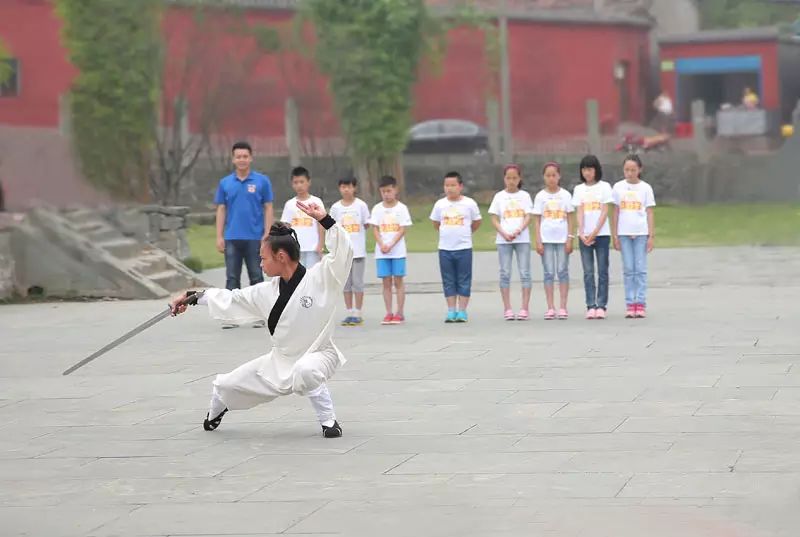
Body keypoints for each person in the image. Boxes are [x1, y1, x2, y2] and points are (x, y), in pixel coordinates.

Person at [170, 200, 353, 438]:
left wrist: (324, 220)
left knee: (306, 370)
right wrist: (192, 297)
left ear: (281, 256)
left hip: (319, 355)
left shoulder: (321, 278)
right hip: (280, 360)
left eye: (263, 258)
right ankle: (215, 413)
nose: (260, 264)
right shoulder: (266, 292)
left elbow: (343, 252)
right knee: (225, 385)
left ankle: (329, 422)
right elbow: (232, 299)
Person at [214, 141, 274, 329]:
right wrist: (219, 235)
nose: (242, 160)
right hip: (232, 237)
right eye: (238, 156)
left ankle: (259, 314)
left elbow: (268, 207)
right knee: (232, 277)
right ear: (233, 159)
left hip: (255, 237)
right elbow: (221, 209)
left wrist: (268, 232)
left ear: (251, 158)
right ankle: (231, 316)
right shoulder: (225, 183)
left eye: (245, 156)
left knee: (257, 276)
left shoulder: (262, 181)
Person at [429, 171, 482, 323]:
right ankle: (451, 310)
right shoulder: (440, 204)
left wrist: (466, 232)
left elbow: (477, 222)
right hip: (445, 248)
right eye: (447, 185)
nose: (450, 188)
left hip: (464, 248)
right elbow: (436, 223)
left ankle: (462, 311)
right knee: (448, 279)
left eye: (453, 185)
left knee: (464, 279)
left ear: (460, 186)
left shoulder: (469, 204)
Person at [611, 154, 656, 319]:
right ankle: (630, 303)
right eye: (626, 170)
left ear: (639, 170)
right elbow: (615, 211)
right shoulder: (618, 187)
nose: (629, 173)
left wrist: (651, 235)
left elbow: (649, 212)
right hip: (624, 233)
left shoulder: (646, 188)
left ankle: (640, 302)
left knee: (640, 269)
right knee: (629, 269)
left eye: (633, 170)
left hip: (640, 233)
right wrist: (615, 234)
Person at [488, 165, 534, 321]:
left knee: (525, 273)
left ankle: (524, 308)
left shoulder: (525, 196)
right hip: (504, 240)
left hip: (521, 239)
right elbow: (493, 217)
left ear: (519, 179)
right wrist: (503, 232)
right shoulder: (499, 197)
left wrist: (519, 229)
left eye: (514, 178)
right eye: (508, 178)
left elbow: (528, 215)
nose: (511, 181)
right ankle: (507, 308)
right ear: (504, 179)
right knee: (505, 273)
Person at [572, 155, 613, 319]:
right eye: (584, 169)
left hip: (601, 235)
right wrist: (581, 232)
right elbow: (580, 211)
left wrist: (595, 232)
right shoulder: (579, 189)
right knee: (588, 271)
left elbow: (604, 212)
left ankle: (602, 305)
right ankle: (591, 304)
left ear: (596, 170)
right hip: (584, 237)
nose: (587, 173)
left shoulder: (604, 187)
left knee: (602, 270)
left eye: (590, 169)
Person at [532, 162, 575, 320]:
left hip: (562, 238)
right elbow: (536, 220)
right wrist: (538, 240)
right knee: (549, 272)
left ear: (559, 176)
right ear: (544, 177)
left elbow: (571, 217)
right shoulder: (540, 196)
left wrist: (570, 238)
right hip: (547, 239)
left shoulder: (565, 195)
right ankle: (550, 307)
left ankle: (563, 306)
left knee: (562, 271)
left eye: (554, 175)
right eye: (548, 175)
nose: (551, 178)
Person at [370, 175, 412, 325]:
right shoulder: (377, 209)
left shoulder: (401, 208)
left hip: (397, 251)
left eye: (389, 190)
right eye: (383, 191)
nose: (386, 194)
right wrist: (382, 244)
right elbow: (375, 228)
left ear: (395, 190)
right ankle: (388, 312)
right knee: (386, 282)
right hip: (382, 252)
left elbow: (402, 229)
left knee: (398, 281)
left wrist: (392, 244)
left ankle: (400, 312)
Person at [330, 177, 370, 326]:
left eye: (349, 186)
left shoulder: (361, 206)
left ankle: (358, 312)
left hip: (357, 251)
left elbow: (366, 225)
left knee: (357, 282)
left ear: (354, 188)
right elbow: (332, 228)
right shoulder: (336, 208)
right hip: (342, 252)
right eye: (343, 187)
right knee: (346, 283)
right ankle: (349, 311)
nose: (346, 190)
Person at [281, 167, 325, 269]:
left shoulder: (316, 202)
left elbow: (321, 224)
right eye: (296, 182)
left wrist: (320, 244)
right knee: (298, 278)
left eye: (302, 182)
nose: (299, 185)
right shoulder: (290, 204)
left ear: (308, 182)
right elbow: (286, 226)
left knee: (312, 277)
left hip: (312, 248)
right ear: (292, 184)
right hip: (295, 249)